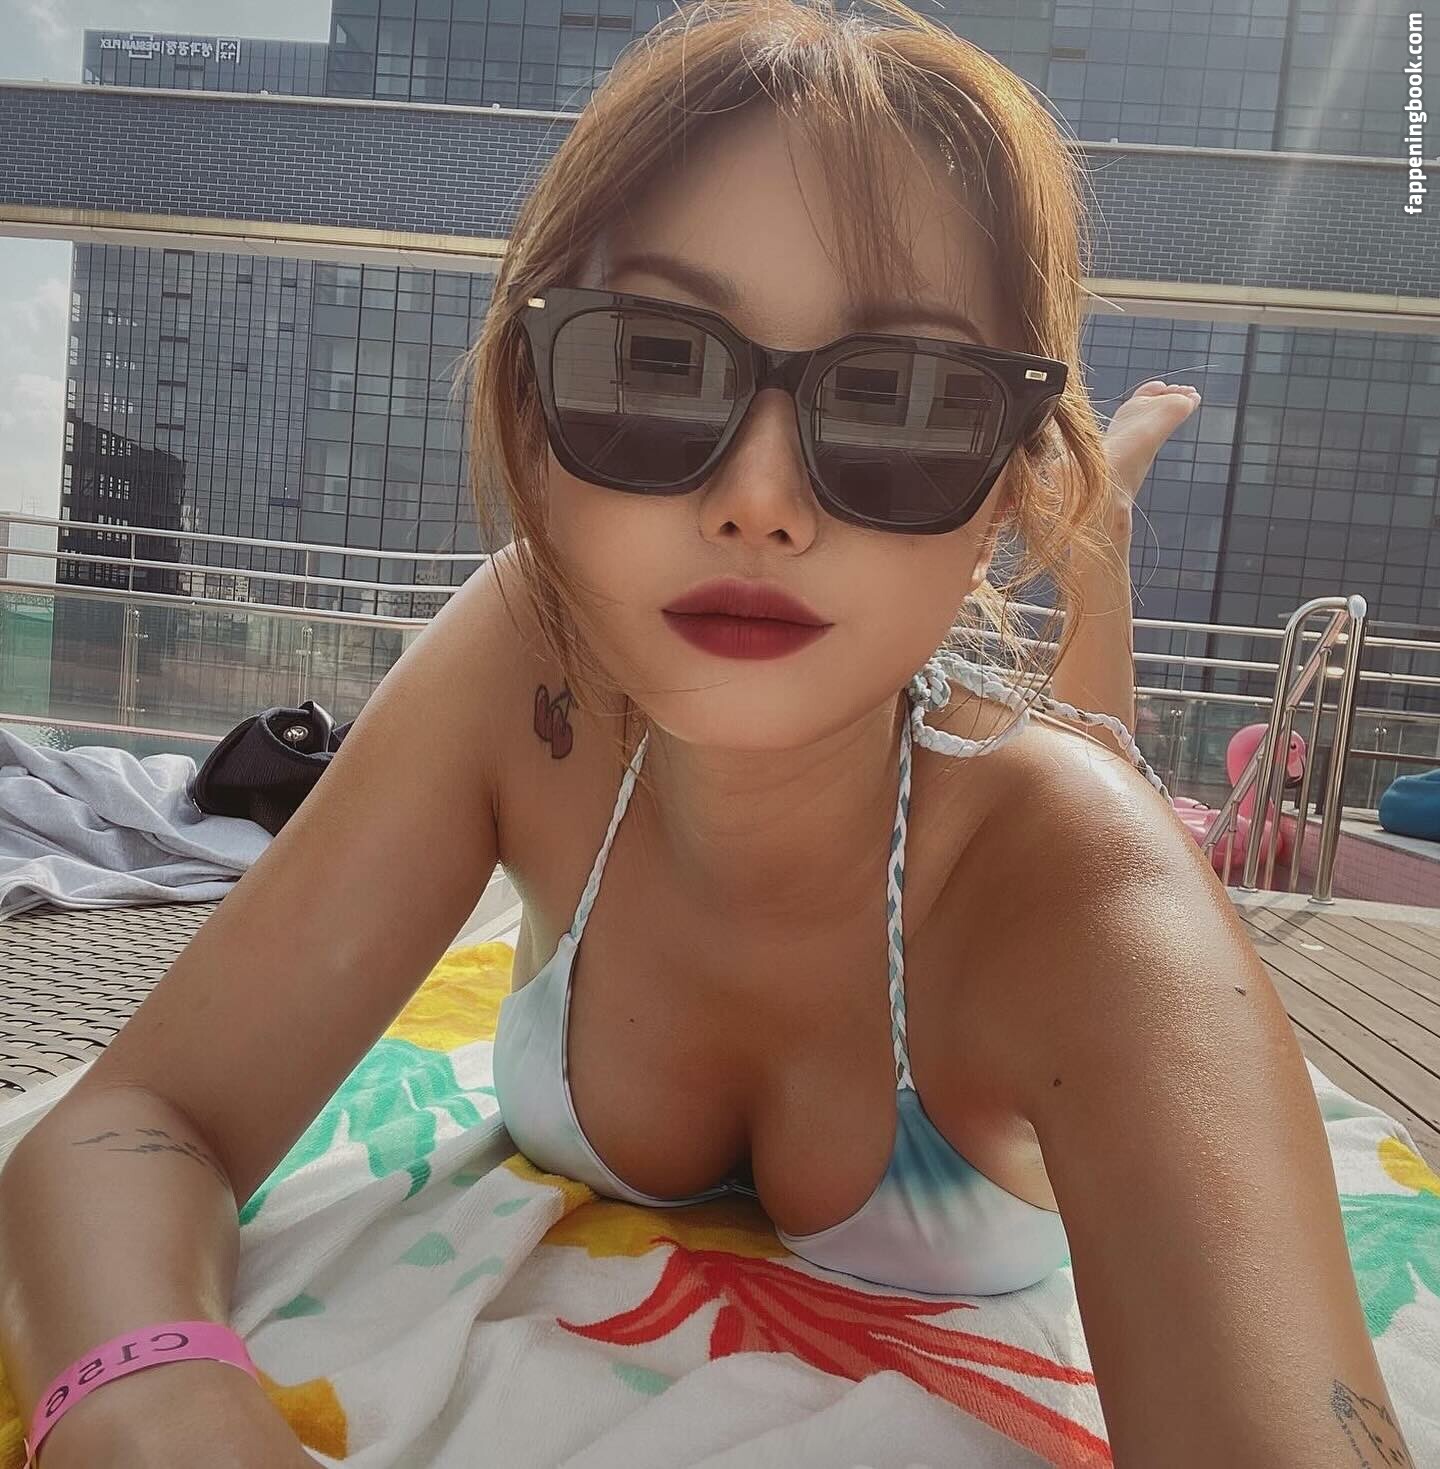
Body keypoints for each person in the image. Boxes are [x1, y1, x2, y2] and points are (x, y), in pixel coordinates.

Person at [0, 1, 1412, 1464]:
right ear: (531, 414)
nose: (759, 498)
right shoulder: (530, 665)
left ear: (1006, 487)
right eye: (653, 364)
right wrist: (159, 1399)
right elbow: (140, 1116)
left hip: (1020, 788)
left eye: (905, 402)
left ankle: (1094, 530)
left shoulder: (1086, 888)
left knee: (1088, 744)